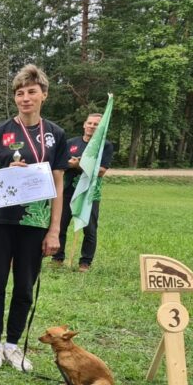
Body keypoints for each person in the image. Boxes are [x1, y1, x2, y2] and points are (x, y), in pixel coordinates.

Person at [0, 64, 68, 372]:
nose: (25, 98)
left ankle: (13, 345)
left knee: (25, 286)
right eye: (19, 93)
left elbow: (57, 183)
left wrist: (54, 230)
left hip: (35, 223)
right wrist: (3, 174)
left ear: (44, 95)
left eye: (31, 92)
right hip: (0, 220)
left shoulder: (56, 134)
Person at [53, 112, 114, 272]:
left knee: (89, 228)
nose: (92, 126)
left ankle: (85, 262)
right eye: (90, 123)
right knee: (60, 225)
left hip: (89, 193)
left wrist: (79, 165)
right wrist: (69, 164)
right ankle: (57, 258)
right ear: (84, 125)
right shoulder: (71, 143)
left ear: (100, 128)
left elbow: (101, 171)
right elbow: (61, 163)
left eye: (96, 124)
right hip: (67, 191)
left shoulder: (104, 146)